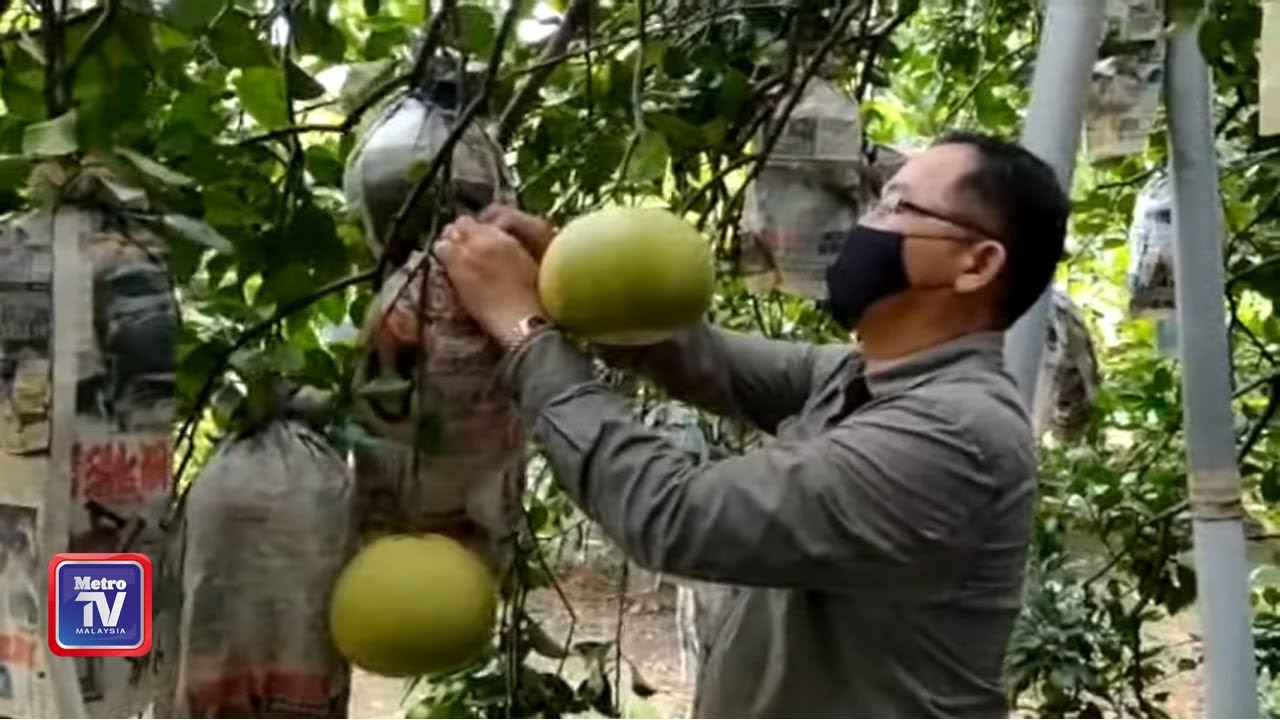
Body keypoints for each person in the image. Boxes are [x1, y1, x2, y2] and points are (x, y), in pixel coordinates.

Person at [433, 130, 1070, 718]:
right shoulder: (862, 377)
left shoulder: (951, 436)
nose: (866, 223)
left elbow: (674, 515)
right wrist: (565, 269)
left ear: (977, 264)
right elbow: (709, 363)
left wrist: (523, 331)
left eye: (897, 208)